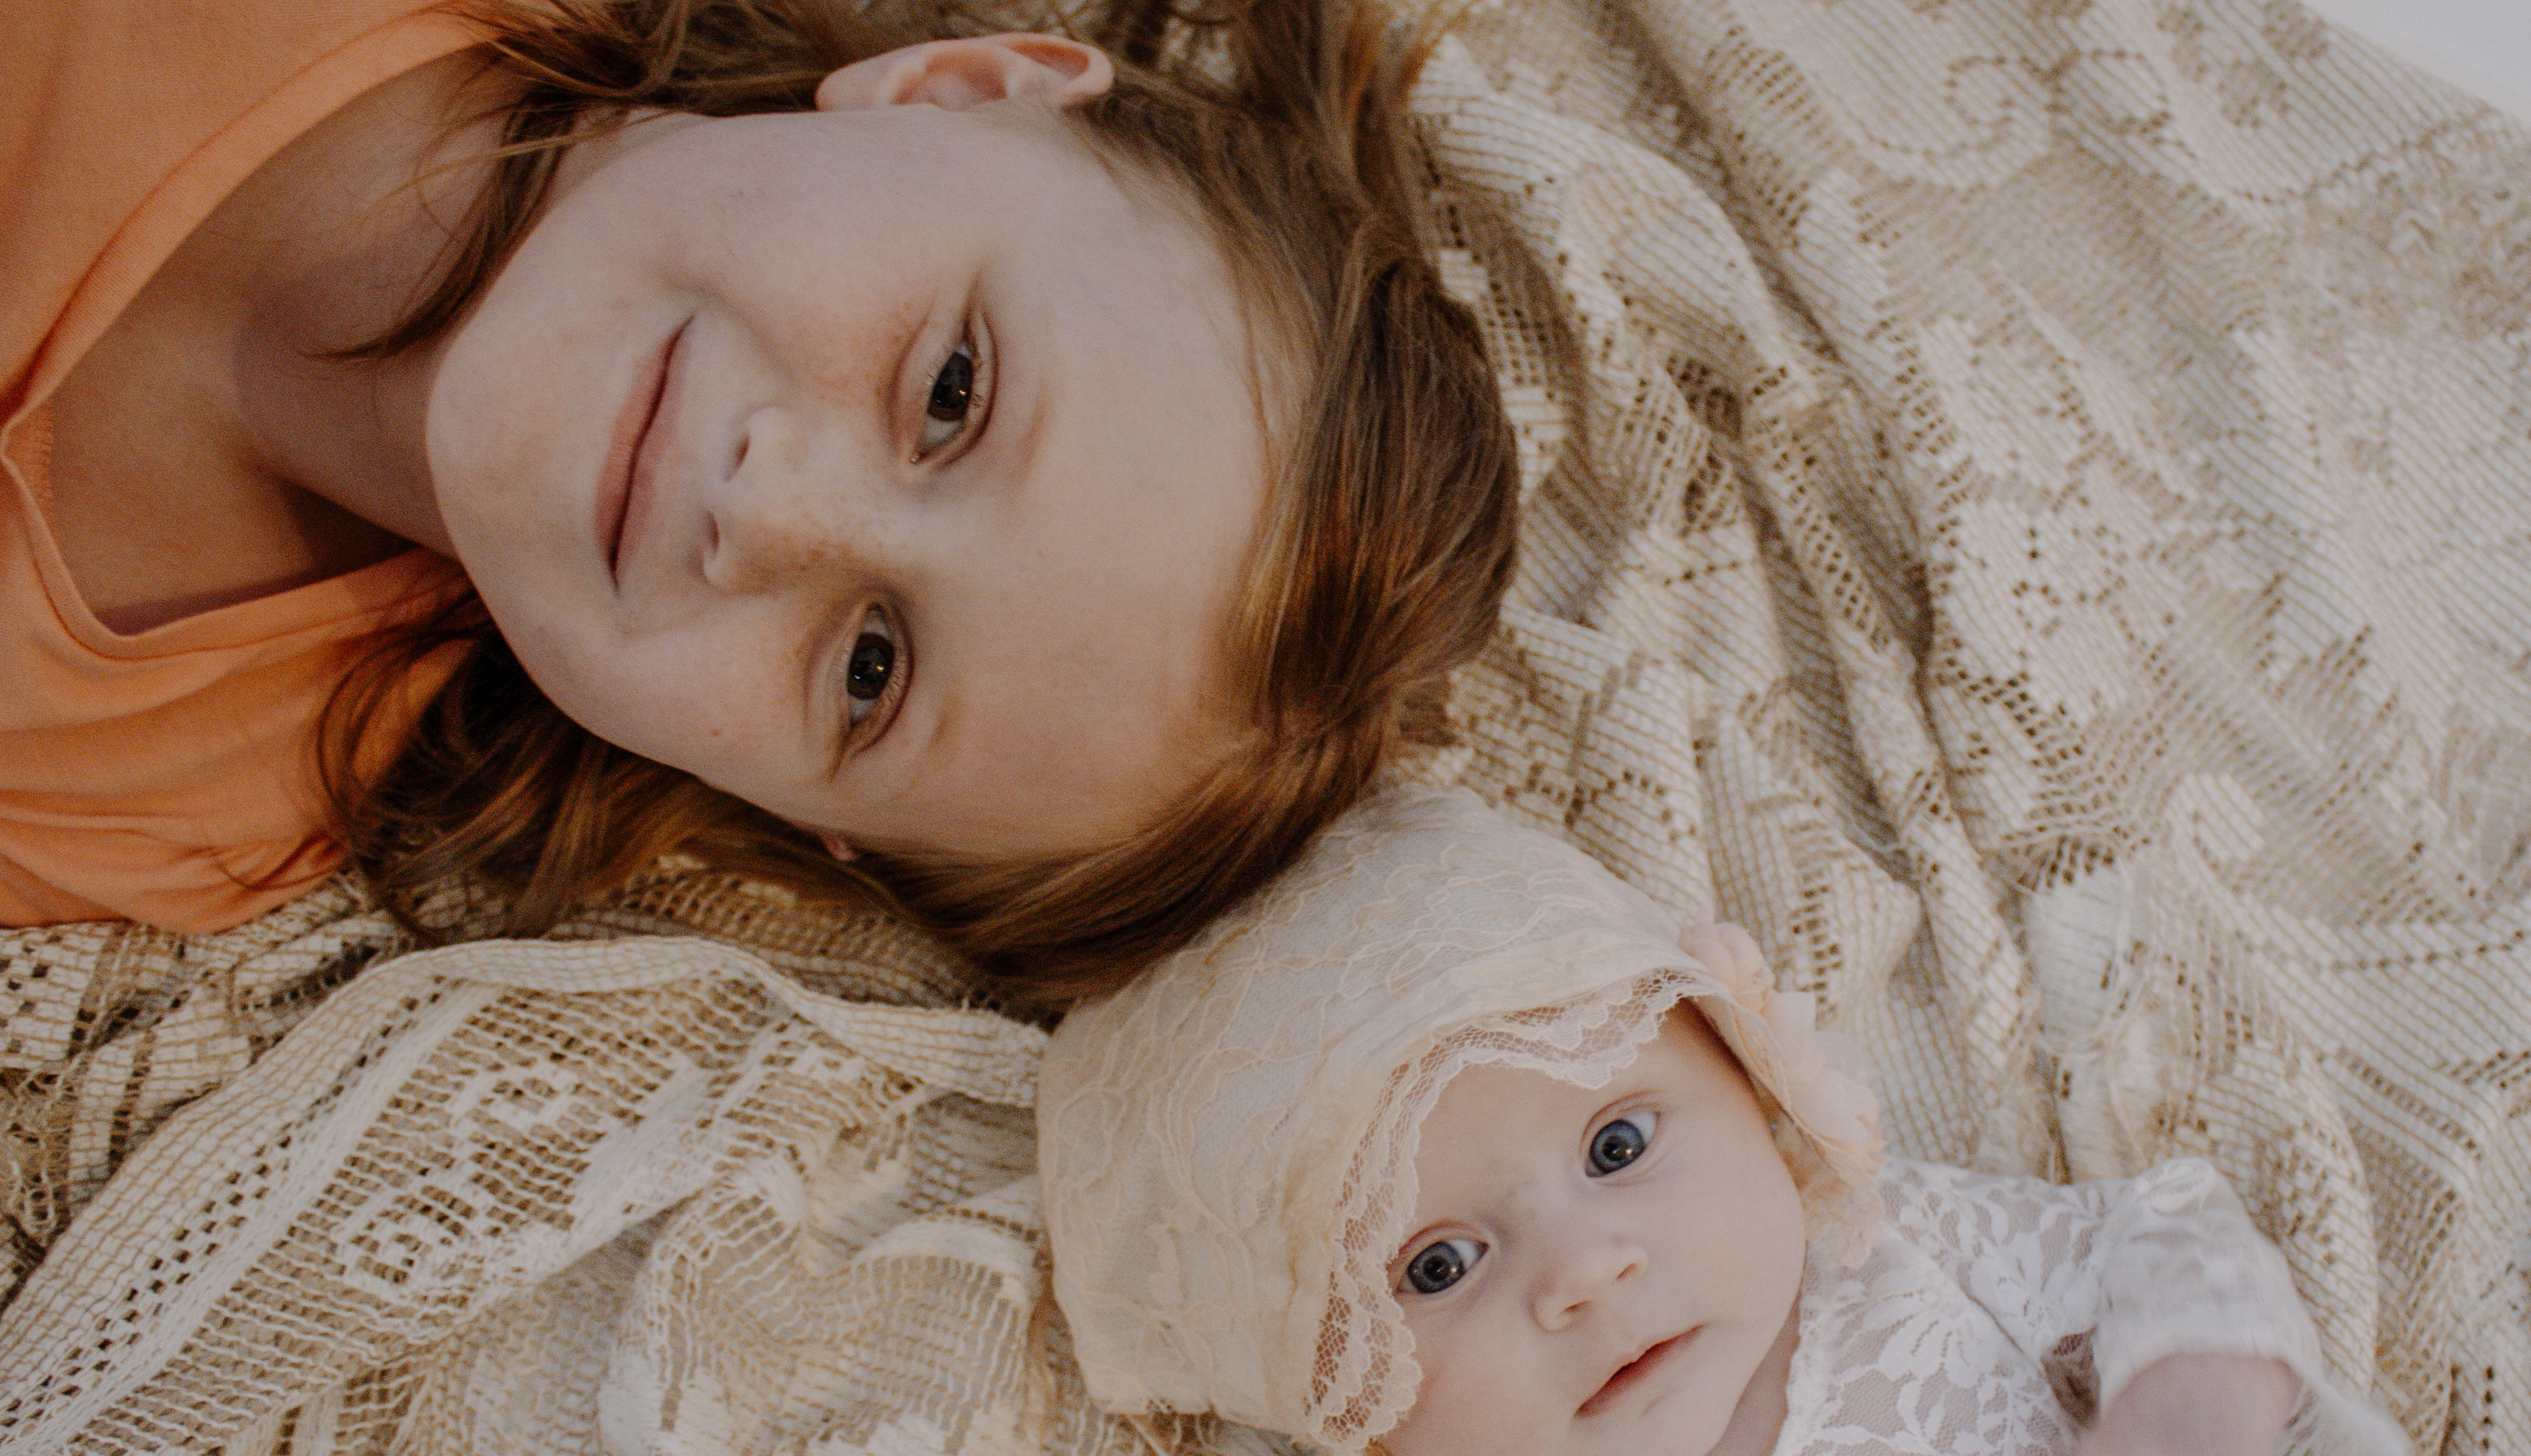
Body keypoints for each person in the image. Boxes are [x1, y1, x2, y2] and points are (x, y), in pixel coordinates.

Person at [0, 0, 1518, 998]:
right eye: (949, 392)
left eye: (869, 672)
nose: (771, 517)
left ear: (772, 804)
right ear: (958, 89)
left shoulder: (173, 807)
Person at [1038, 785, 2531, 1456]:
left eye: (1620, 1148)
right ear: (1320, 1388)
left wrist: (2193, 1399)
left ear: (1752, 1081)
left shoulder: (1889, 1258)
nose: (1584, 1274)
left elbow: (2157, 1234)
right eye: (1437, 1267)